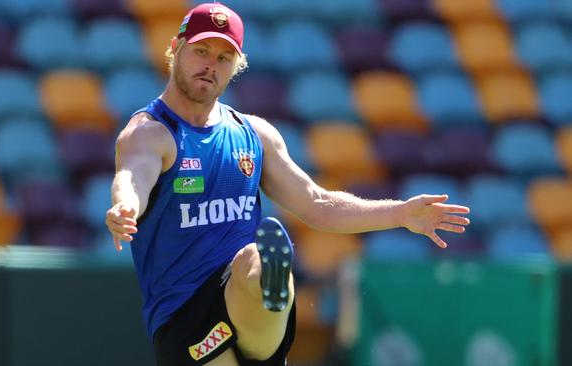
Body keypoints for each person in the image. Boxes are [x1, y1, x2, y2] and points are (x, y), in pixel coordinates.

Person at [105, 3, 471, 365]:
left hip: (245, 302)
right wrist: (126, 207)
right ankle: (270, 294)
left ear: (236, 67)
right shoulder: (149, 133)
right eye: (201, 51)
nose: (210, 66)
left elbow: (318, 203)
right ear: (175, 48)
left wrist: (401, 213)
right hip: (183, 318)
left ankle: (273, 289)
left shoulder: (255, 135)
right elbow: (133, 176)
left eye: (223, 58)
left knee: (257, 258)